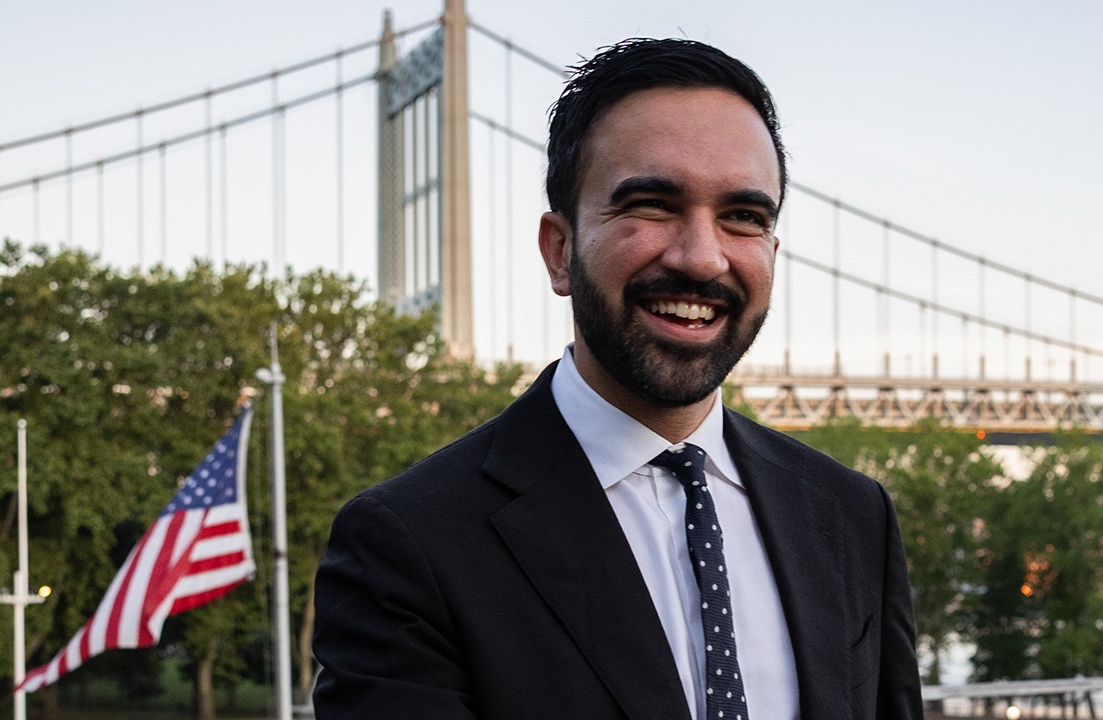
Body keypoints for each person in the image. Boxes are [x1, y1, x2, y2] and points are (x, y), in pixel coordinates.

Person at [313, 38, 924, 720]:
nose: (702, 258)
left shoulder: (852, 515)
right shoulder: (409, 542)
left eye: (743, 217)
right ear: (559, 251)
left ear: (773, 251)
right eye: (652, 205)